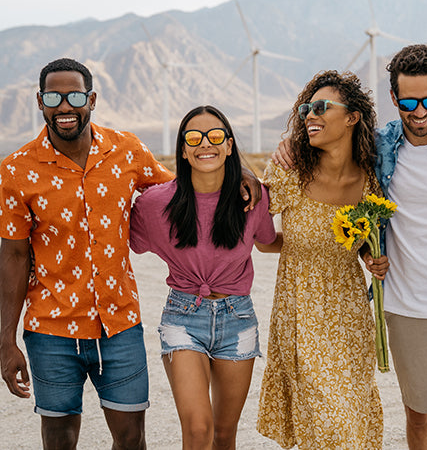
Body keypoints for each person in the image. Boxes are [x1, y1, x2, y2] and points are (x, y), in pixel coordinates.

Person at [0, 59, 261, 450]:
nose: (65, 106)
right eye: (54, 97)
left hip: (120, 325)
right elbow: (14, 257)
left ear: (92, 99)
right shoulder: (16, 171)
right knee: (58, 438)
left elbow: (186, 187)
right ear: (40, 102)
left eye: (75, 96)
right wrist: (6, 340)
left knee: (131, 438)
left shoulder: (127, 151)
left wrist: (237, 171)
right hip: (50, 328)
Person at [273, 45, 427, 450]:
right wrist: (292, 141)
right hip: (404, 307)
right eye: (409, 102)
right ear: (394, 98)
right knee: (419, 417)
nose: (419, 112)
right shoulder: (375, 150)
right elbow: (335, 155)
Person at [129, 105, 280, 449]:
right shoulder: (156, 204)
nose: (205, 144)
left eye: (215, 136)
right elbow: (116, 233)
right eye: (193, 138)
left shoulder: (252, 199)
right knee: (198, 430)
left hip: (237, 319)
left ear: (229, 145)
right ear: (183, 149)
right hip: (182, 318)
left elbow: (269, 242)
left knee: (224, 435)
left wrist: (332, 242)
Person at [256, 70, 389, 449]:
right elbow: (261, 239)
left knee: (352, 420)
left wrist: (371, 257)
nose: (309, 116)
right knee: (328, 424)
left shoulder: (371, 182)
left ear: (352, 117)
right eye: (304, 111)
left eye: (320, 108)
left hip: (349, 318)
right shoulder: (290, 173)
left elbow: (363, 241)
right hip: (300, 313)